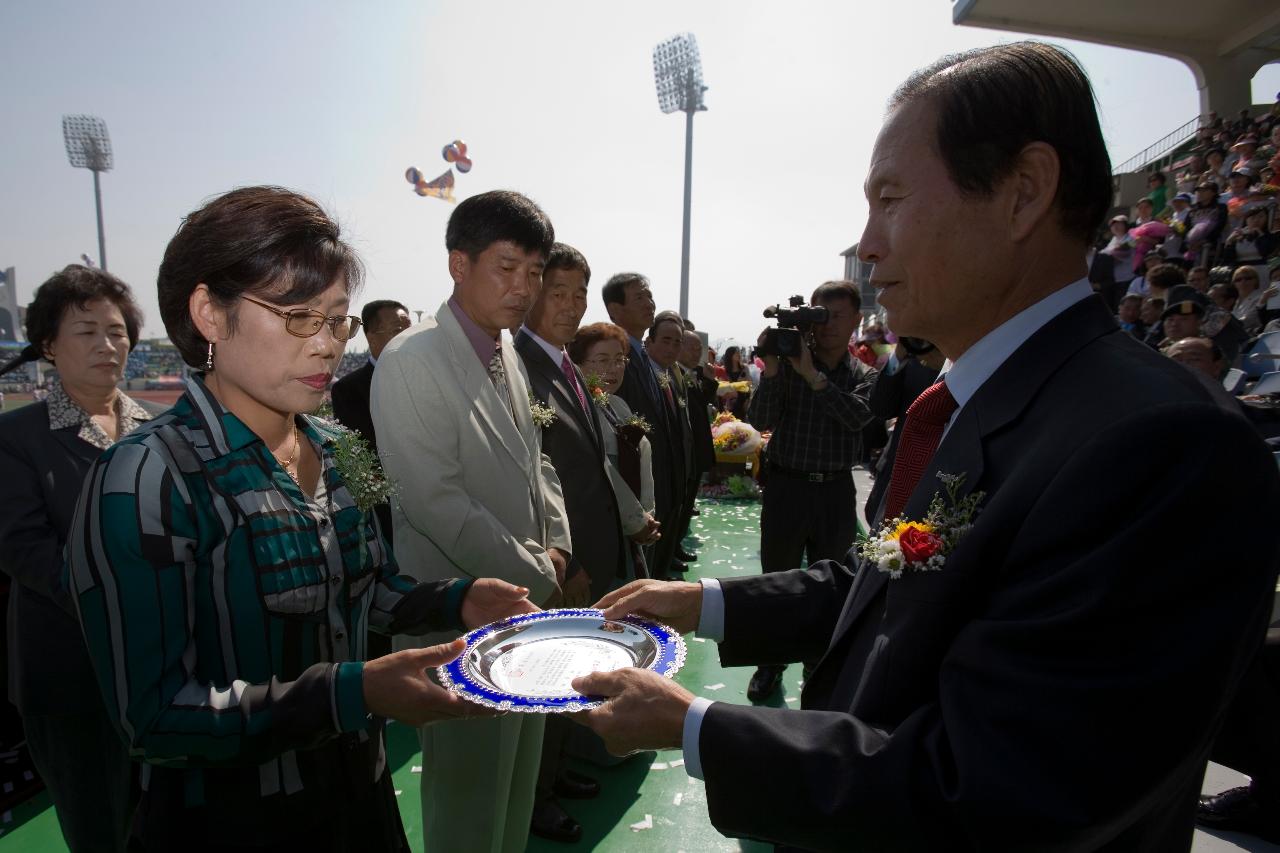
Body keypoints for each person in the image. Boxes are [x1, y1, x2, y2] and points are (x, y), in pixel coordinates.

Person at [571, 42, 1280, 851]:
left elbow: (1009, 789)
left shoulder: (1161, 447)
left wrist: (696, 726)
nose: (868, 244)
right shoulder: (976, 404)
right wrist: (703, 602)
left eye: (891, 200)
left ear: (1023, 193)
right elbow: (886, 578)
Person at [66, 186, 536, 851]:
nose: (326, 345)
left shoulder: (332, 447)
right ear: (209, 313)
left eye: (337, 319)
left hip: (358, 800)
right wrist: (354, 691)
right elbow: (155, 718)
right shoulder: (145, 476)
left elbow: (362, 589)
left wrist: (460, 598)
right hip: (230, 825)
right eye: (297, 317)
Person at [370, 189, 569, 853]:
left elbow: (538, 460)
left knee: (513, 785)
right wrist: (537, 570)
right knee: (466, 801)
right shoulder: (411, 359)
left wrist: (558, 542)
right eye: (507, 267)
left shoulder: (506, 349)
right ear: (459, 264)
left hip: (525, 606)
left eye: (534, 272)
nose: (523, 288)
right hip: (462, 617)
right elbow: (437, 502)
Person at [0, 266, 158, 853]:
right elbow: (23, 548)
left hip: (160, 667)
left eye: (117, 332)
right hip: (70, 676)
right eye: (86, 332)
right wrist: (121, 603)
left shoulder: (158, 428)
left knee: (163, 819)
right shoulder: (17, 437)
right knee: (100, 827)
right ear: (48, 345)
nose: (107, 346)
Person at [514, 242, 620, 844]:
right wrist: (567, 560)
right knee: (546, 674)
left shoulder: (565, 366)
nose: (573, 305)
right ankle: (534, 798)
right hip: (559, 560)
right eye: (559, 291)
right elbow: (532, 480)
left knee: (571, 671)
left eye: (581, 292)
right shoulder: (521, 366)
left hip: (591, 549)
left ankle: (553, 775)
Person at [743, 280, 877, 702]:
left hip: (834, 493)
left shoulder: (864, 374)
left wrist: (813, 377)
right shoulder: (790, 361)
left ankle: (817, 668)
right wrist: (775, 370)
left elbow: (857, 419)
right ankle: (770, 665)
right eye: (822, 315)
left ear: (856, 320)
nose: (829, 325)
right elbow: (759, 417)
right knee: (776, 579)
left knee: (829, 584)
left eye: (838, 316)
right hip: (787, 487)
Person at [603, 273, 682, 578]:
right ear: (615, 309)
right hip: (633, 501)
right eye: (639, 297)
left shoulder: (643, 358)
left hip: (656, 490)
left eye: (649, 296)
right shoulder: (615, 358)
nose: (650, 304)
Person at [571, 322, 661, 578]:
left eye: (619, 360)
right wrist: (638, 521)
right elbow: (603, 470)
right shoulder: (578, 409)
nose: (613, 368)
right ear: (578, 364)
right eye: (602, 360)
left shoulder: (618, 405)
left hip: (634, 528)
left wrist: (647, 515)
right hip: (600, 531)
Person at [330, 299, 411, 538]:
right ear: (371, 336)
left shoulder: (428, 378)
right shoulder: (349, 390)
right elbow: (366, 457)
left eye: (410, 329)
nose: (408, 336)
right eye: (398, 330)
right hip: (389, 514)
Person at [645, 311, 693, 576]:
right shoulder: (638, 374)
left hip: (675, 477)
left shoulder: (671, 375)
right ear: (649, 341)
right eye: (665, 340)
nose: (672, 348)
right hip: (654, 479)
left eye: (677, 342)